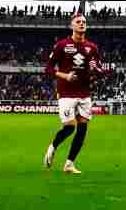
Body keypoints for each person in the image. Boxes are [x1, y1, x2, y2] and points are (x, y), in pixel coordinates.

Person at [43, 14, 102, 174]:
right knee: (69, 127)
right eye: (78, 22)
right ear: (72, 26)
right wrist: (65, 76)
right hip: (66, 92)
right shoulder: (62, 45)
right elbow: (48, 69)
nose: (82, 24)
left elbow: (100, 70)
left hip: (84, 92)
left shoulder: (93, 47)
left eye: (84, 22)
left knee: (83, 128)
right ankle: (53, 147)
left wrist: (95, 68)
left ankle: (69, 164)